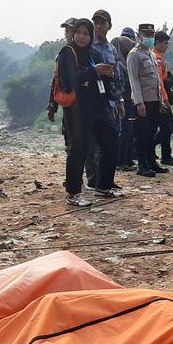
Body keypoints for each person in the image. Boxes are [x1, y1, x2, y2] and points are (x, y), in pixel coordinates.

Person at [58, 18, 119, 206]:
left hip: (98, 107)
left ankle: (103, 186)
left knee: (112, 142)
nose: (82, 37)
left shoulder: (93, 53)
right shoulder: (67, 53)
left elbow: (101, 79)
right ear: (74, 34)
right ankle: (73, 193)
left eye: (86, 33)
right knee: (79, 150)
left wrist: (108, 74)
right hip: (78, 109)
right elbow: (69, 82)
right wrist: (95, 71)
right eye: (79, 33)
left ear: (91, 36)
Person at [86, 10, 126, 192]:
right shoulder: (87, 46)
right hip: (93, 102)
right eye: (96, 22)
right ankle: (94, 180)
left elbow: (117, 76)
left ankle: (106, 179)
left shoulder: (111, 49)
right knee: (94, 144)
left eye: (103, 23)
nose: (99, 26)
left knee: (111, 142)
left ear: (109, 25)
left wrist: (120, 101)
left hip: (110, 101)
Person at [127, 23, 167, 178]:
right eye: (146, 35)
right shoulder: (134, 55)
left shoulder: (150, 54)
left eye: (151, 35)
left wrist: (161, 98)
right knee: (141, 134)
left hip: (154, 100)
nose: (149, 38)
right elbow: (134, 80)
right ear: (139, 35)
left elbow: (156, 78)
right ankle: (142, 165)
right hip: (142, 101)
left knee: (151, 134)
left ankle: (151, 162)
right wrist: (139, 102)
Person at [48, 18, 78, 151]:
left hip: (86, 104)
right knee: (71, 141)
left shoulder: (89, 52)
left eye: (71, 30)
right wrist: (52, 106)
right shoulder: (63, 54)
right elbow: (56, 81)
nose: (68, 33)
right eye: (66, 30)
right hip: (70, 104)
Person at [113, 27, 138, 171]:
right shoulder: (119, 64)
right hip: (123, 100)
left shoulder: (127, 61)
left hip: (129, 99)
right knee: (124, 129)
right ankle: (121, 160)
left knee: (128, 130)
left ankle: (127, 159)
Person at [153, 31, 173, 167]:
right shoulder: (156, 58)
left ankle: (159, 151)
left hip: (161, 97)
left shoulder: (160, 57)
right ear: (158, 42)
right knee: (167, 127)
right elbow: (159, 82)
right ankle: (165, 155)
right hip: (160, 98)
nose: (166, 46)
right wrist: (165, 100)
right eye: (165, 43)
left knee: (168, 126)